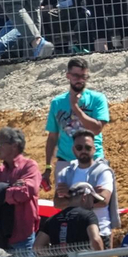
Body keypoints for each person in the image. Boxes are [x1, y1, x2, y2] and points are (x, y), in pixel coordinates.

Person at [45, 57, 111, 189]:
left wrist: (75, 108)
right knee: (66, 205)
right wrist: (48, 167)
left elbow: (97, 129)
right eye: (75, 75)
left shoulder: (97, 99)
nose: (80, 80)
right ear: (68, 75)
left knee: (97, 203)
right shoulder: (57, 103)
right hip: (66, 162)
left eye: (83, 76)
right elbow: (52, 137)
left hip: (93, 161)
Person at [0, 126, 42, 257]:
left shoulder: (30, 167)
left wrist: (1, 193)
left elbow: (25, 192)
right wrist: (11, 190)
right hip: (0, 237)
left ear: (14, 146)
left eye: (0, 144)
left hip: (22, 235)